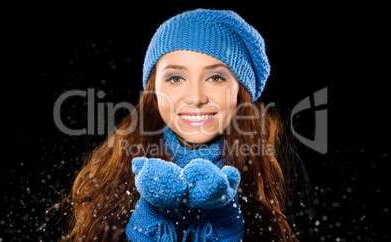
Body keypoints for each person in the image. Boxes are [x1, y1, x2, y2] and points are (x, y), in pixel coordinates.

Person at [52, 9, 317, 241]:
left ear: (239, 90)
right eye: (176, 78)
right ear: (153, 89)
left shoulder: (276, 166)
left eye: (215, 77)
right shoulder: (121, 160)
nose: (195, 98)